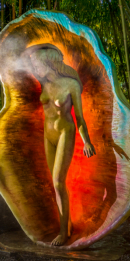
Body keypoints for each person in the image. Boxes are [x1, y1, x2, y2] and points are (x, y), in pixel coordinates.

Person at [27, 44, 95, 246]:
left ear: (48, 63)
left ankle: (64, 233)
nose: (33, 67)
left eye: (36, 63)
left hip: (66, 131)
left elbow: (80, 118)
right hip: (48, 136)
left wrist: (87, 142)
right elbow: (21, 57)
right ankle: (67, 225)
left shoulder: (71, 85)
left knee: (58, 182)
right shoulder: (43, 82)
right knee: (55, 184)